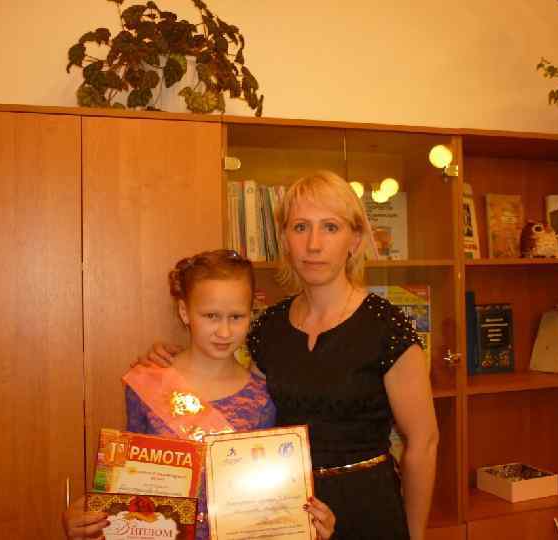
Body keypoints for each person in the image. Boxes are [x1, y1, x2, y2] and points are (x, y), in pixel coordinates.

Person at [143, 171, 439, 540]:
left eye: (330, 227)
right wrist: (170, 364)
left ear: (354, 240)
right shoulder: (268, 327)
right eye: (301, 227)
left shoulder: (387, 326)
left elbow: (424, 442)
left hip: (369, 509)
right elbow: (232, 390)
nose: (314, 244)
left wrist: (415, 535)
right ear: (284, 239)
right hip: (285, 511)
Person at [63, 249, 335, 540]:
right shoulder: (148, 383)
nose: (224, 331)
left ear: (251, 313)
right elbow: (128, 481)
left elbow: (273, 495)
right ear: (184, 312)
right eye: (211, 316)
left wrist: (306, 524)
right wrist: (87, 519)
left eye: (236, 317)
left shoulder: (264, 397)